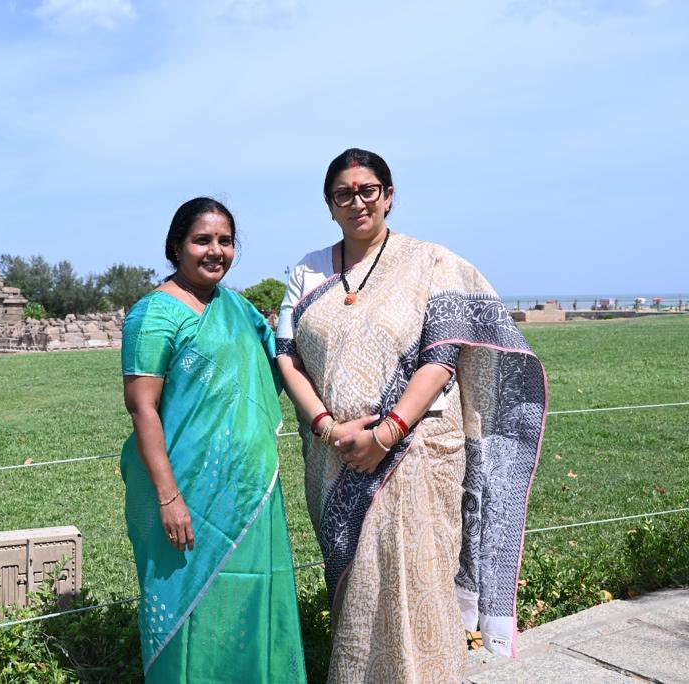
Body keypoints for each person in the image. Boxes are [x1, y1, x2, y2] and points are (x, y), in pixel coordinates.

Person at [276, 148, 547, 683]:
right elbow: (286, 354)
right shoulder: (307, 272)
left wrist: (388, 432)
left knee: (420, 589)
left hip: (417, 457)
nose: (357, 201)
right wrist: (327, 427)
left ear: (389, 195)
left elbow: (441, 357)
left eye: (368, 190)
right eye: (343, 193)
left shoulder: (431, 263)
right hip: (336, 462)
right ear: (330, 205)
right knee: (358, 601)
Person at [121, 197, 307, 683]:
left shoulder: (241, 310)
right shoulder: (153, 314)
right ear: (177, 246)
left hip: (250, 489)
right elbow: (143, 408)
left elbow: (279, 371)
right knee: (186, 612)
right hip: (184, 492)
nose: (216, 251)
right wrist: (168, 497)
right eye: (203, 240)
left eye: (225, 241)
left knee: (251, 602)